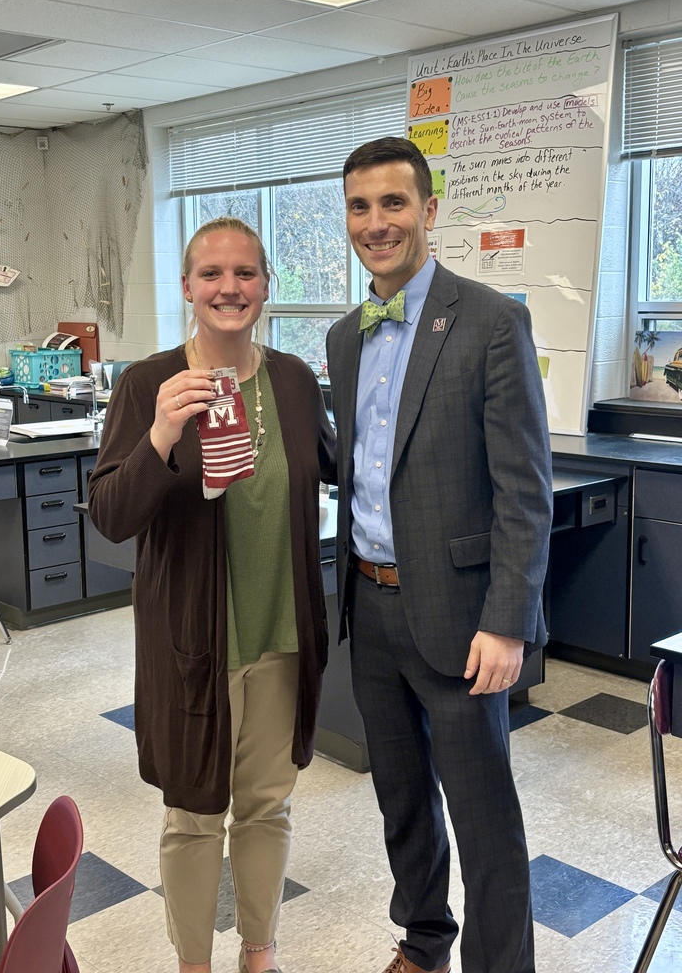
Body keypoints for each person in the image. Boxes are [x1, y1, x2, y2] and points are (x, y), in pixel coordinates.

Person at [325, 137, 552, 973]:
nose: (376, 223)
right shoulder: (345, 338)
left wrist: (508, 620)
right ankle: (424, 941)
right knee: (403, 802)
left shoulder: (491, 320)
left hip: (463, 618)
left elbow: (525, 490)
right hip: (371, 604)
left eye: (392, 203)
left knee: (484, 815)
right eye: (359, 207)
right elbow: (359, 466)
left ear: (428, 209)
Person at [88, 216, 336, 973]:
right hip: (194, 641)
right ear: (189, 288)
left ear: (267, 285)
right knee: (195, 812)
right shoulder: (146, 383)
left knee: (267, 804)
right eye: (213, 275)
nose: (230, 288)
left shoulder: (292, 379)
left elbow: (339, 466)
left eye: (246, 273)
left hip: (283, 634)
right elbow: (110, 515)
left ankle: (259, 951)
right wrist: (162, 433)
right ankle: (193, 961)